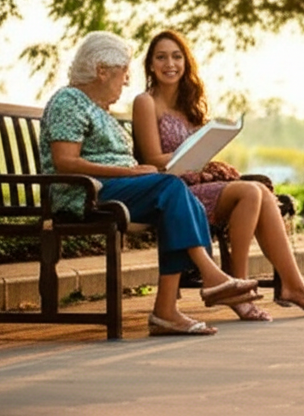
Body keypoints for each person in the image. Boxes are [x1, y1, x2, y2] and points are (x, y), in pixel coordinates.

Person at [40, 31, 261, 337]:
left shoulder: (97, 108)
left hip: (113, 189)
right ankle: (210, 279)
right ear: (102, 71)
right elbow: (66, 162)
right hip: (84, 194)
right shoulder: (69, 101)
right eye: (123, 72)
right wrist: (132, 174)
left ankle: (167, 312)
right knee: (170, 188)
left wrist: (139, 171)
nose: (127, 81)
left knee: (175, 193)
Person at [132, 29, 304, 320]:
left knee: (260, 192)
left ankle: (293, 285)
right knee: (251, 191)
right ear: (150, 64)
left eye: (176, 57)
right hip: (173, 191)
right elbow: (152, 159)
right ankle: (238, 288)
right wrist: (195, 160)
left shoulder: (189, 105)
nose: (169, 64)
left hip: (197, 185)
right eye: (161, 57)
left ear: (186, 62)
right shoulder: (145, 101)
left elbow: (196, 155)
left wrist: (210, 160)